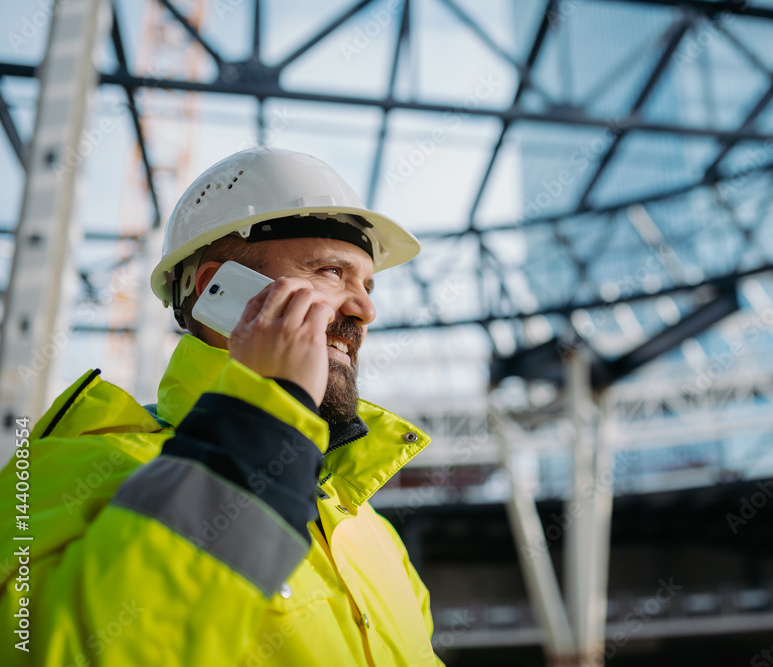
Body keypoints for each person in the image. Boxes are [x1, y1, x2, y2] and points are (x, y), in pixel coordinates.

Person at [0, 147, 443, 666]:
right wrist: (263, 417)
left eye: (367, 284)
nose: (366, 309)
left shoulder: (371, 531)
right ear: (217, 287)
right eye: (330, 272)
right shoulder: (66, 470)